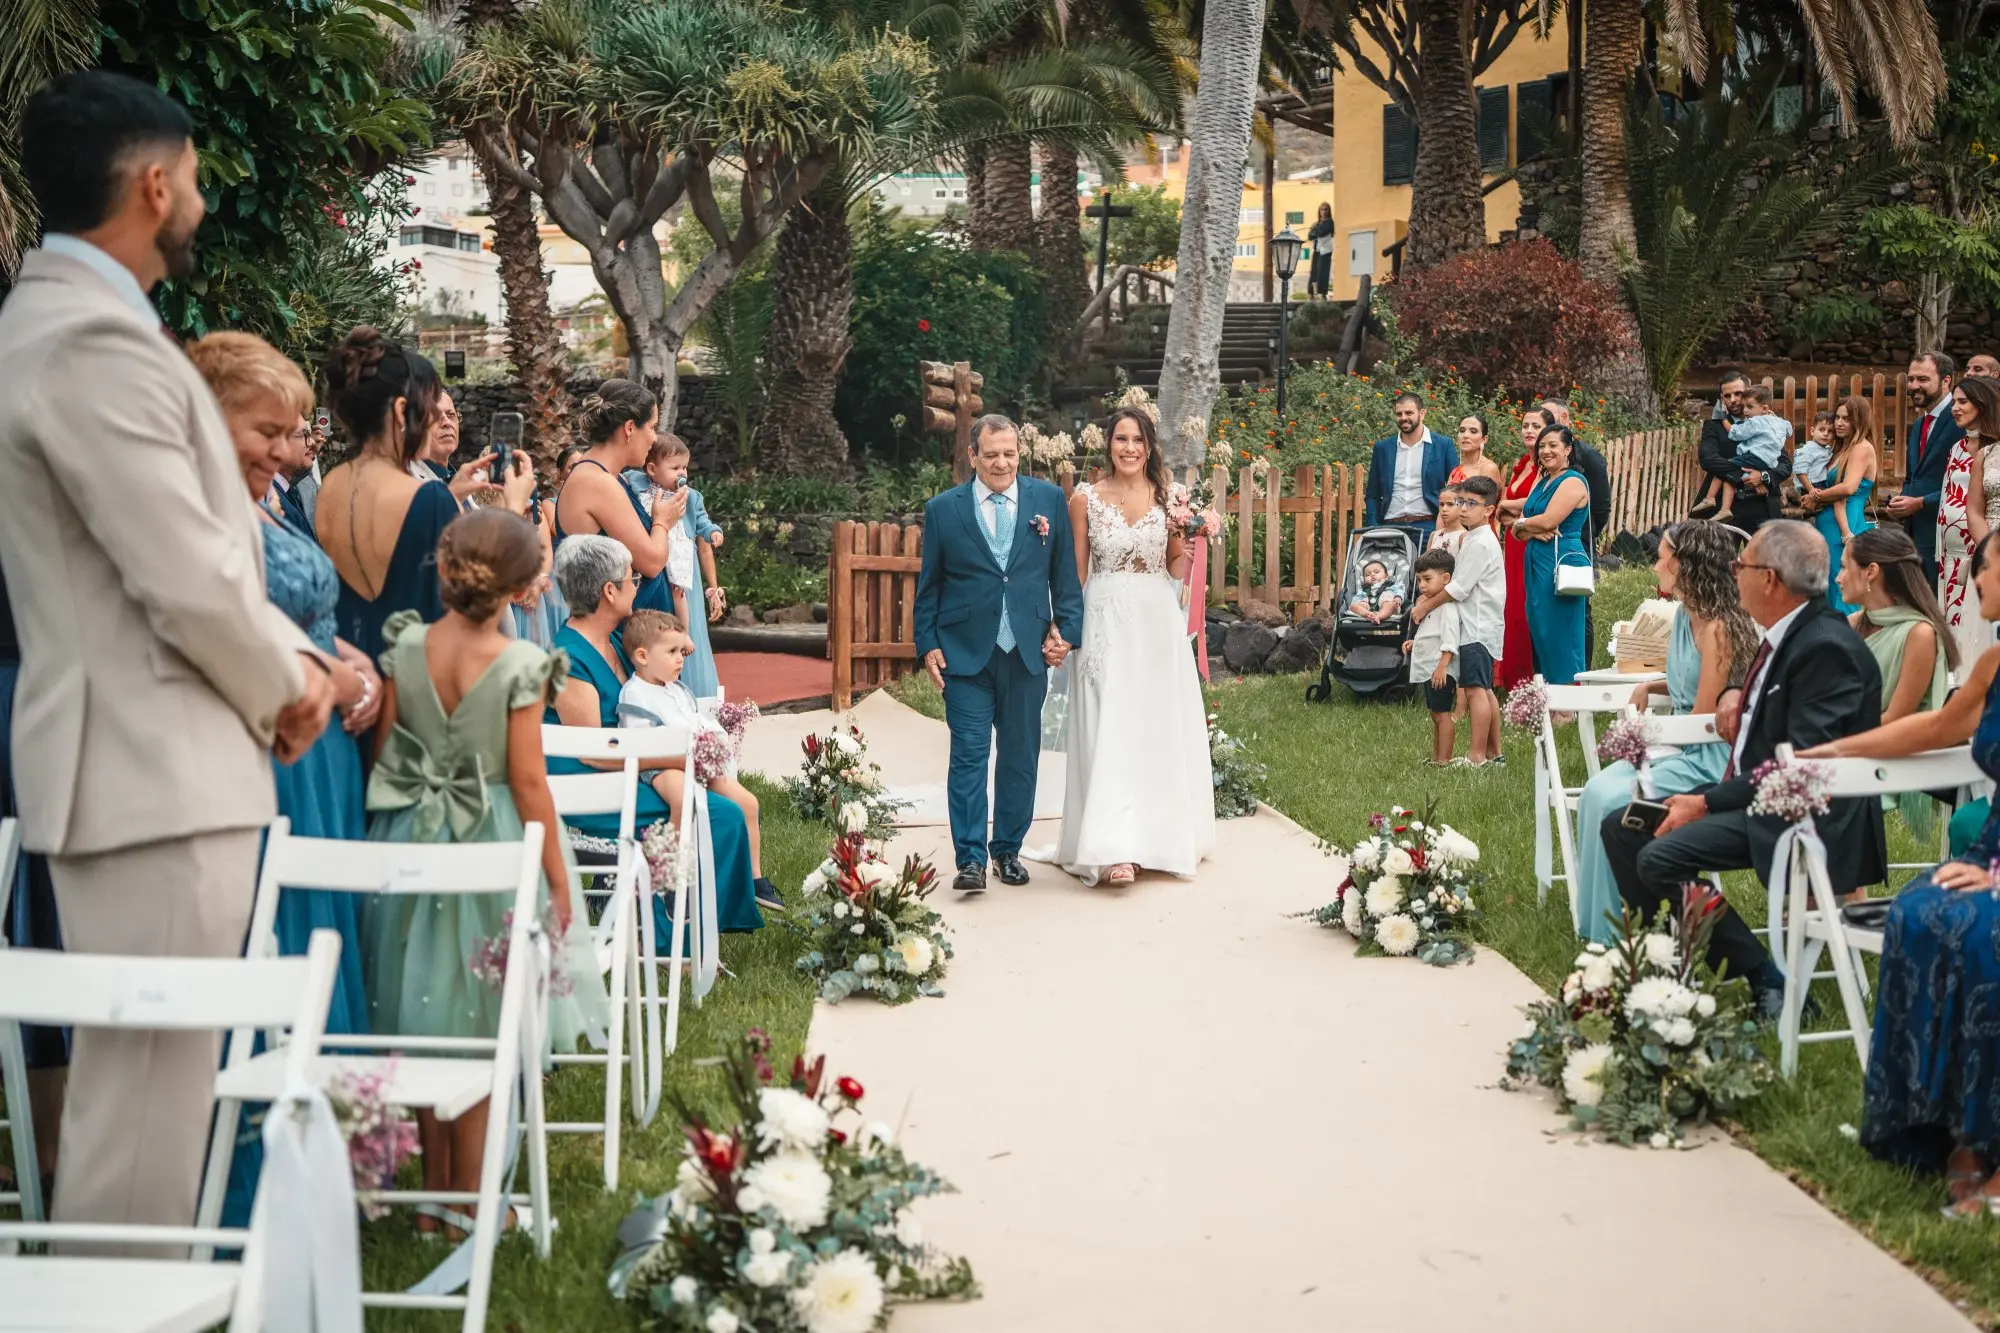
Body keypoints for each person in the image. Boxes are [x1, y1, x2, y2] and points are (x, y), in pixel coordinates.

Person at [0, 70, 337, 1244]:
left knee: (153, 1109)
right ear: (154, 183)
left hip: (148, 768)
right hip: (148, 774)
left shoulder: (69, 324)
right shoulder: (90, 338)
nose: (197, 200)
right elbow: (184, 571)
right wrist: (295, 682)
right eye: (191, 178)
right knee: (140, 1128)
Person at [362, 509, 609, 1239]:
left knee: (423, 1011)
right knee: (480, 1021)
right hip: (495, 836)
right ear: (526, 584)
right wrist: (560, 880)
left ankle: (434, 1198)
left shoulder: (405, 645)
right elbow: (529, 780)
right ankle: (470, 1207)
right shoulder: (521, 665)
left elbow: (384, 755)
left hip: (411, 834)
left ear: (444, 569)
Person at [188, 331, 388, 1227]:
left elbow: (305, 614)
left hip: (328, 760)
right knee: (282, 934)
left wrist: (359, 669)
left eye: (295, 428)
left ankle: (334, 1154)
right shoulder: (200, 509)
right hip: (273, 754)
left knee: (329, 934)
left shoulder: (268, 504)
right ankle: (262, 1179)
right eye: (266, 429)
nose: (285, 447)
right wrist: (340, 679)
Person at [1599, 521, 1885, 1016]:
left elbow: (1800, 764)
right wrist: (1736, 695)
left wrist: (1704, 801)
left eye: (1740, 566)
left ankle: (1765, 980)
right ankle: (1657, 959)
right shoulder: (1790, 634)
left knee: (1658, 856)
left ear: (1770, 579)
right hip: (1759, 795)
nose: (1733, 575)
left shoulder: (1825, 647)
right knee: (1623, 826)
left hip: (1805, 816)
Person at [546, 535, 775, 918]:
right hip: (588, 786)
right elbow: (590, 752)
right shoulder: (568, 658)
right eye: (630, 577)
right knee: (719, 814)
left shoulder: (618, 641)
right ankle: (670, 929)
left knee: (727, 806)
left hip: (629, 767)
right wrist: (681, 756)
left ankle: (688, 924)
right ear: (608, 591)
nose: (636, 583)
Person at [915, 414, 1085, 894]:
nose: (1001, 462)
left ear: (1019, 453)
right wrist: (927, 644)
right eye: (990, 455)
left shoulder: (1047, 500)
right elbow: (929, 587)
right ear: (973, 457)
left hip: (1028, 652)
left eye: (1009, 453)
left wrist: (1067, 631)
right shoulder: (944, 510)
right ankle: (969, 859)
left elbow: (1065, 580)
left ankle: (1007, 849)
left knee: (1019, 755)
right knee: (968, 755)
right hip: (964, 654)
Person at [1047, 407, 1212, 886]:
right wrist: (1065, 628)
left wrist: (1189, 538)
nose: (1129, 448)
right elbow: (1078, 572)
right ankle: (1113, 846)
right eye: (1121, 439)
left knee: (1154, 724)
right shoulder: (1085, 499)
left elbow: (1177, 569)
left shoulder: (1171, 497)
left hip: (1157, 619)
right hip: (1105, 619)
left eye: (1137, 440)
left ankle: (1157, 838)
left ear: (1150, 444)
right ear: (1108, 445)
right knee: (1109, 723)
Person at [1569, 522, 1755, 943]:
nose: (1655, 565)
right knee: (1597, 792)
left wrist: (1644, 731)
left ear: (1687, 565)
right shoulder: (1685, 617)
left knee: (1611, 796)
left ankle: (1620, 933)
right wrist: (1648, 686)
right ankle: (1600, 928)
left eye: (1662, 556)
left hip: (1706, 755)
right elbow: (1682, 687)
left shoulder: (1720, 629)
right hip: (1676, 745)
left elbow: (1703, 719)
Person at [317, 328, 529, 656]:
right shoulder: (427, 499)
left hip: (360, 664)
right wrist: (513, 507)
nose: (436, 420)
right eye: (428, 407)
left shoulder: (331, 484)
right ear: (403, 413)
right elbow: (482, 605)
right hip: (422, 676)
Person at [616, 609, 771, 891]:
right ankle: (670, 874)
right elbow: (640, 740)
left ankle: (755, 879)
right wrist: (686, 749)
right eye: (672, 651)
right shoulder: (635, 693)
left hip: (694, 759)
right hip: (659, 765)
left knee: (748, 803)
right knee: (683, 797)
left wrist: (711, 740)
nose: (680, 658)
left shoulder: (676, 689)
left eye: (681, 650)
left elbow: (697, 720)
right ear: (642, 656)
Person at [0, 572, 64, 1209]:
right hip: (31, 695)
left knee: (35, 918)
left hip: (32, 685)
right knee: (38, 921)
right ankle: (44, 1151)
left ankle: (43, 1148)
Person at [553, 380, 685, 616]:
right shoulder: (597, 483)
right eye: (652, 427)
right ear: (630, 428)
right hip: (617, 632)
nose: (655, 438)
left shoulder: (605, 477)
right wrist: (663, 522)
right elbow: (652, 563)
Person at [1413, 476, 1505, 765]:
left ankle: (1477, 756)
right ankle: (1494, 753)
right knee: (1484, 689)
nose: (1463, 508)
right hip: (1479, 624)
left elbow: (1458, 588)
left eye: (1471, 503)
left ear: (1489, 510)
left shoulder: (1480, 543)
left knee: (1477, 690)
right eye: (1460, 501)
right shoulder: (1475, 538)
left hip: (1477, 625)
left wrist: (1424, 606)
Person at [627, 432, 726, 698]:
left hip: (681, 563)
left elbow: (703, 522)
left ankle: (684, 639)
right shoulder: (636, 485)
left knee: (680, 597)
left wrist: (712, 532)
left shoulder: (690, 497)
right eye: (674, 468)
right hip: (653, 560)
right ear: (652, 469)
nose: (682, 473)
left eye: (684, 467)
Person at [1513, 425, 1593, 684]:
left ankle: (1569, 697)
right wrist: (1525, 528)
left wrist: (1522, 525)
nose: (1545, 451)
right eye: (1542, 446)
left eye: (1553, 446)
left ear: (1568, 449)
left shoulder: (1572, 481)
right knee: (1541, 627)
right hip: (1536, 559)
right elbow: (1522, 529)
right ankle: (1552, 693)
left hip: (1561, 558)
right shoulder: (1544, 480)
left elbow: (1549, 521)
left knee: (1561, 628)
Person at [1938, 372, 1999, 671]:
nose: (1954, 407)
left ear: (1983, 404)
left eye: (1963, 401)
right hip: (1966, 553)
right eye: (1954, 401)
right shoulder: (1964, 450)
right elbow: (1968, 506)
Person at [1886, 352, 1962, 576]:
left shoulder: (1960, 420)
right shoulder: (1920, 423)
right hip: (1914, 534)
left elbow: (1965, 482)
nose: (1914, 386)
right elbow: (1913, 476)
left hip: (1946, 535)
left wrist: (1921, 502)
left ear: (1946, 381)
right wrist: (1899, 503)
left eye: (1923, 379)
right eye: (1911, 379)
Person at [1803, 395, 1879, 614]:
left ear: (1859, 420)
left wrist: (1816, 497)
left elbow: (1848, 487)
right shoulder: (1841, 448)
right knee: (1827, 580)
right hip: (1827, 522)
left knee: (1843, 581)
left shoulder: (1861, 448)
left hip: (1845, 524)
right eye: (1837, 417)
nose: (1839, 423)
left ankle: (1848, 635)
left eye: (1846, 418)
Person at [1693, 372, 1790, 534]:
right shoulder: (1714, 426)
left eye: (1738, 393)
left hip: (1763, 508)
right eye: (1727, 395)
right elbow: (1708, 459)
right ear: (1722, 398)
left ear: (1748, 392)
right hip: (1726, 509)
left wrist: (1764, 477)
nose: (1733, 400)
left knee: (1765, 559)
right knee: (1720, 559)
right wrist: (1746, 477)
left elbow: (1785, 465)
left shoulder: (1769, 424)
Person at [1495, 407, 1548, 689]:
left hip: (1529, 541)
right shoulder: (1522, 462)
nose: (1528, 430)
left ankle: (1530, 678)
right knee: (1511, 606)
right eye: (1525, 425)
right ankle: (1512, 678)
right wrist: (1508, 510)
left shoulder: (1545, 466)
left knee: (1525, 607)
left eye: (1535, 425)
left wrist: (1506, 507)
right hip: (1512, 542)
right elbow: (1510, 505)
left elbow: (1534, 501)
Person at [1363, 391, 1456, 548]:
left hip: (1429, 526)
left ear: (1422, 413)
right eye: (1399, 414)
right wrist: (1373, 527)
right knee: (1389, 573)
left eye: (1409, 413)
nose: (1403, 417)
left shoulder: (1443, 445)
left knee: (1427, 573)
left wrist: (1448, 526)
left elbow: (1456, 489)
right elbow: (1373, 493)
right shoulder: (1383, 448)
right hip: (1389, 527)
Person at [1403, 549, 1462, 765]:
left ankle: (1444, 761)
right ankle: (1437, 758)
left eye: (1427, 579)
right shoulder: (1432, 605)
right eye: (1419, 580)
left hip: (1439, 671)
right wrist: (1414, 643)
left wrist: (1442, 666)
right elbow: (1431, 634)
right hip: (1431, 670)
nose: (1422, 585)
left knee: (1443, 715)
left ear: (1446, 578)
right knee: (1435, 715)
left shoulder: (1447, 607)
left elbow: (1450, 639)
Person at [1306, 202, 1334, 299]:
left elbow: (1322, 232)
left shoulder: (1329, 222)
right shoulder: (1317, 223)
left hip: (1326, 251)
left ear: (1329, 211)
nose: (1324, 212)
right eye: (1322, 209)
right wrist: (1314, 231)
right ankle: (1312, 294)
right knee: (1314, 273)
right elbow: (1310, 236)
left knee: (1323, 273)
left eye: (1326, 209)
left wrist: (1315, 231)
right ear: (1319, 211)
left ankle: (1323, 294)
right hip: (1317, 250)